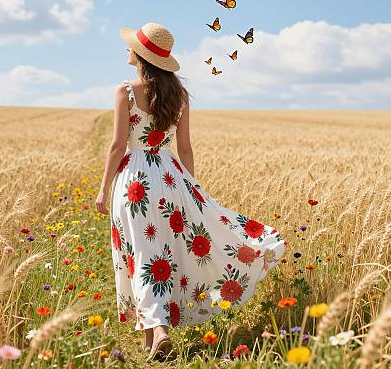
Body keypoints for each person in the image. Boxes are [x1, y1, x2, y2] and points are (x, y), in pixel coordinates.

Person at [95, 22, 286, 362]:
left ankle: (160, 331)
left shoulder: (125, 91)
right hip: (170, 178)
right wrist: (191, 190)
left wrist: (103, 187)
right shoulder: (178, 94)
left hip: (136, 180)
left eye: (130, 47)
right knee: (163, 255)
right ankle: (150, 334)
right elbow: (185, 147)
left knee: (141, 253)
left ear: (140, 56)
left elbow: (117, 145)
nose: (125, 50)